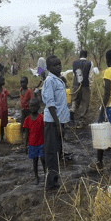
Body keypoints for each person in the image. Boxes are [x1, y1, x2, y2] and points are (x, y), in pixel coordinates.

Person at [41, 56, 70, 191]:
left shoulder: (59, 80)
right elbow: (51, 104)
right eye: (54, 65)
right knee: (52, 152)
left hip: (59, 121)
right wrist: (58, 124)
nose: (58, 67)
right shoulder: (49, 81)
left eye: (59, 64)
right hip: (53, 122)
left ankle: (54, 181)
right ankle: (51, 184)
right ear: (48, 68)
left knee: (57, 151)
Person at [23, 97, 46, 185]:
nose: (32, 108)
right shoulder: (27, 120)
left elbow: (45, 131)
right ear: (28, 107)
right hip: (32, 144)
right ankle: (36, 177)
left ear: (38, 107)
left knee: (43, 160)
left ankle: (45, 175)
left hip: (41, 143)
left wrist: (45, 143)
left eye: (34, 106)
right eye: (31, 106)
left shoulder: (42, 118)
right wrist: (25, 145)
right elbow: (26, 134)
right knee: (35, 160)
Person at [70, 50, 95, 128]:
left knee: (75, 100)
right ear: (86, 56)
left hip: (75, 86)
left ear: (79, 55)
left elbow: (74, 74)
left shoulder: (74, 63)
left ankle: (71, 117)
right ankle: (81, 121)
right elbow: (91, 77)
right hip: (85, 86)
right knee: (84, 103)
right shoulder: (90, 63)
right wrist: (89, 87)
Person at [0, 75, 16, 142]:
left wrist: (20, 95)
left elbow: (11, 97)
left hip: (4, 110)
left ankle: (2, 138)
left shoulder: (5, 90)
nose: (4, 81)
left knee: (3, 124)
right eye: (2, 80)